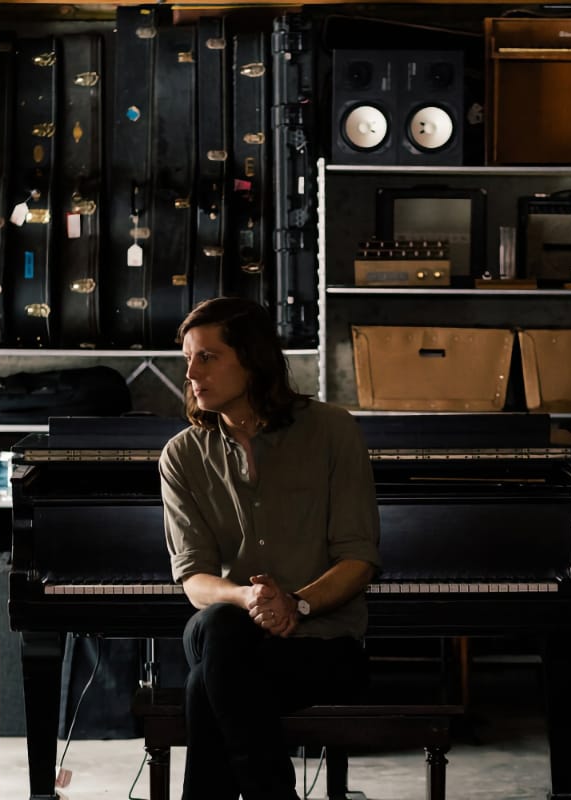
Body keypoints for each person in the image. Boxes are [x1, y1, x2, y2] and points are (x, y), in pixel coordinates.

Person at [159, 296, 381, 800]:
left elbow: (358, 559)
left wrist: (296, 604)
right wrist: (249, 600)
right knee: (221, 626)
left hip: (322, 648)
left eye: (207, 357)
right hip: (221, 630)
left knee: (208, 686)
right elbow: (193, 578)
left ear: (254, 360)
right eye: (187, 359)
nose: (190, 373)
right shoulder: (182, 455)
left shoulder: (332, 431)